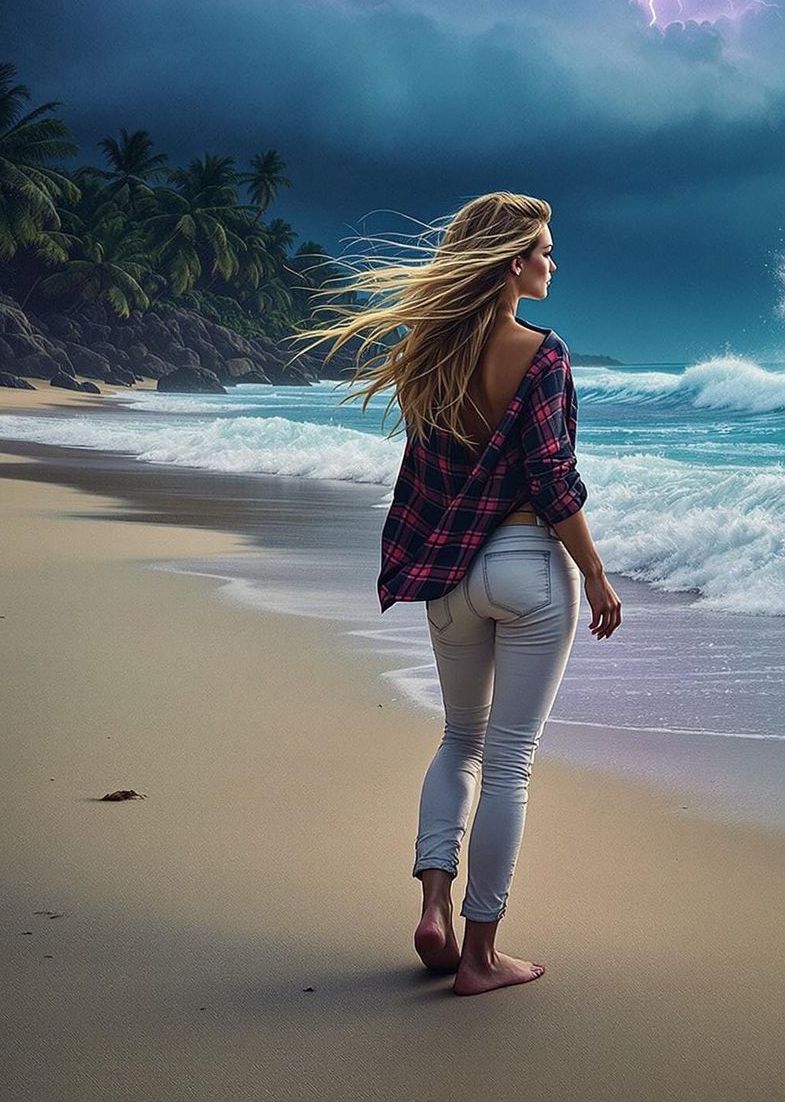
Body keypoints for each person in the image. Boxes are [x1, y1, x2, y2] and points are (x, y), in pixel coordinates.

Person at [290, 191, 621, 996]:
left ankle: (434, 904)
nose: (552, 263)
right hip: (528, 569)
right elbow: (552, 479)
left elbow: (427, 476)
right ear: (512, 263)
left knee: (459, 740)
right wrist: (596, 572)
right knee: (510, 762)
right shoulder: (543, 354)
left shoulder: (428, 356)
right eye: (543, 250)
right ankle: (480, 956)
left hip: (450, 575)